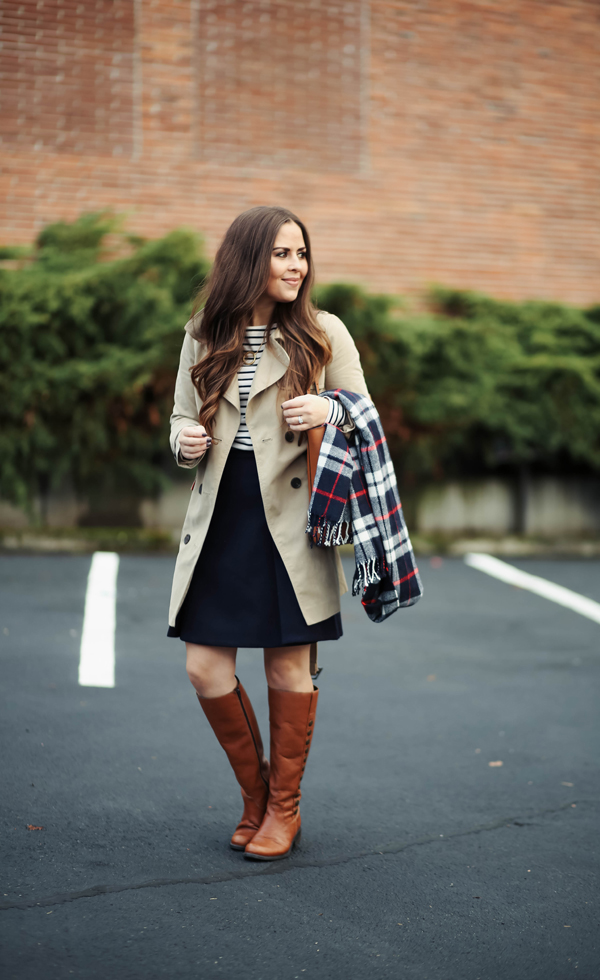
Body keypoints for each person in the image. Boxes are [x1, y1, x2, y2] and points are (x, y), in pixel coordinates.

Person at [167, 205, 368, 861]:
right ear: (250, 258)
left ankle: (284, 810)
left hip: (292, 520)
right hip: (222, 519)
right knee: (204, 667)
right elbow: (177, 420)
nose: (297, 266)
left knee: (287, 664)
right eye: (283, 253)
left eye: (302, 254)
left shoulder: (323, 332)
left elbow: (363, 421)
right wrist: (185, 440)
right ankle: (255, 798)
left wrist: (329, 408)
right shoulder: (204, 332)